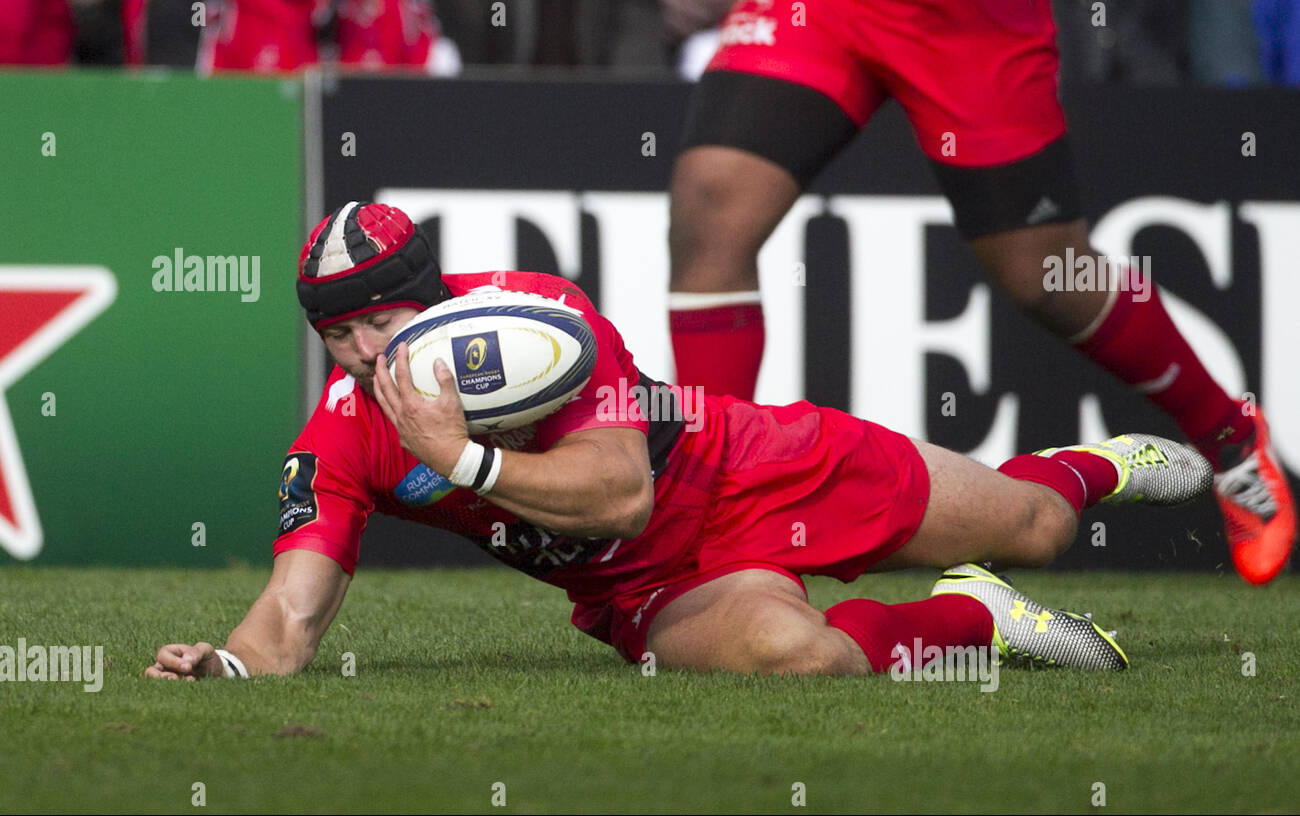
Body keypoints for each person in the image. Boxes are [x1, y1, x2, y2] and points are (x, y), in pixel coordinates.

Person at [146, 202, 1212, 682]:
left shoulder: (538, 315)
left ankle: (1098, 463)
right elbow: (291, 612)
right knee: (805, 657)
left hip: (742, 461)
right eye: (341, 334)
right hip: (651, 588)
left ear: (435, 297)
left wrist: (463, 455)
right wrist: (227, 664)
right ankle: (967, 618)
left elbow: (618, 492)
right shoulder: (340, 433)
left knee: (1035, 523)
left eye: (384, 319)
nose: (369, 352)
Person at [665, 0, 1294, 585]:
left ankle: (1226, 431)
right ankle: (709, 511)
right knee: (712, 198)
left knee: (1046, 273)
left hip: (968, 21)